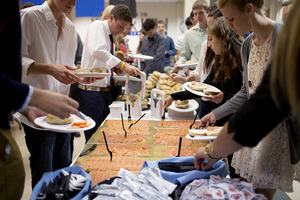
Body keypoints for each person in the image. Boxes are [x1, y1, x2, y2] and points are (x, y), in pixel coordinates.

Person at [194, 0, 300, 198]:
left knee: (260, 193)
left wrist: (212, 151)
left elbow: (268, 102)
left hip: (274, 133)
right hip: (254, 127)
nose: (230, 25)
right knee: (246, 191)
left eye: (231, 19)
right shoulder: (248, 45)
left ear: (249, 9)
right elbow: (247, 93)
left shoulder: (283, 36)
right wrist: (216, 113)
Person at [0, 1, 81, 199]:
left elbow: (67, 68)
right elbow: (14, 62)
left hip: (62, 111)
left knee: (63, 171)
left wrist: (82, 75)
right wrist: (50, 69)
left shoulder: (71, 27)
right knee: (44, 175)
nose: (72, 1)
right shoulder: (29, 17)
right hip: (38, 113)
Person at [79, 4, 141, 142]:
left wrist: (118, 76)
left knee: (105, 135)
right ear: (111, 18)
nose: (121, 31)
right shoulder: (97, 26)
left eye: (124, 28)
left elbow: (103, 64)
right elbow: (97, 51)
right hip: (91, 92)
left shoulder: (109, 36)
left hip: (103, 92)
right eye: (120, 26)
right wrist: (123, 65)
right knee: (95, 139)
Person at [175, 0, 209, 75]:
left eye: (201, 13)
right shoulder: (189, 33)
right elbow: (184, 55)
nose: (198, 16)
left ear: (208, 12)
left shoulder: (214, 31)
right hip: (194, 71)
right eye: (195, 14)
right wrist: (179, 63)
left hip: (211, 71)